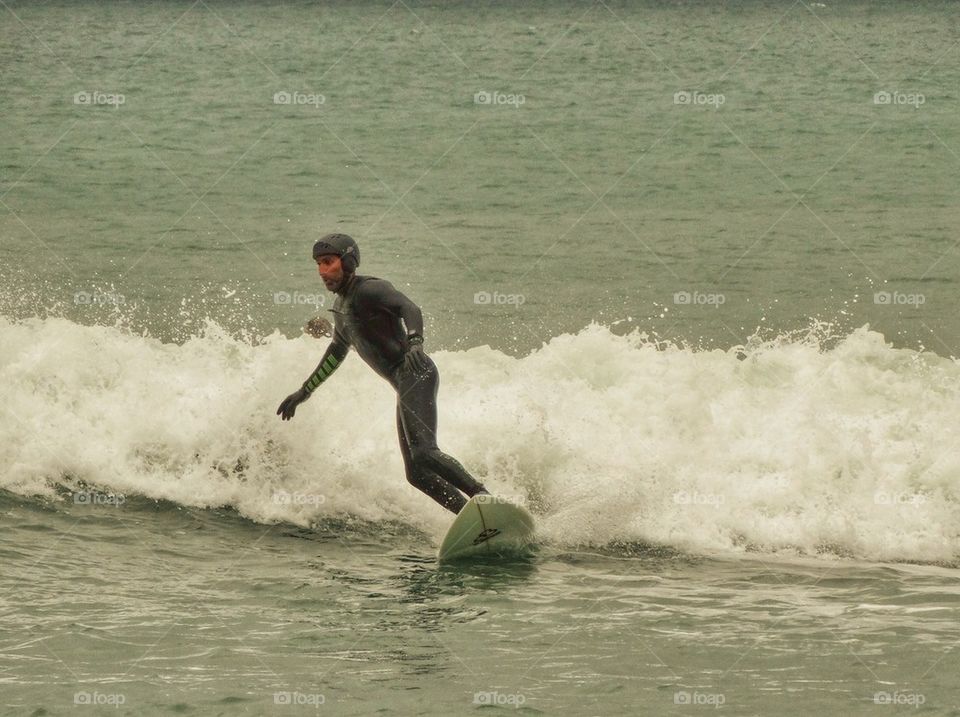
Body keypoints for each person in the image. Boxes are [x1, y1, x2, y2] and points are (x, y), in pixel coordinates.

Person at [277, 233, 488, 514]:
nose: (322, 271)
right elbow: (336, 352)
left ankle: (484, 498)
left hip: (416, 372)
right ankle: (472, 516)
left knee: (425, 452)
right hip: (403, 384)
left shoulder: (369, 289)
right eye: (318, 264)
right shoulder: (340, 308)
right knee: (416, 474)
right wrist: (304, 391)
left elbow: (409, 307)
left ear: (349, 261)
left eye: (328, 262)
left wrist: (415, 342)